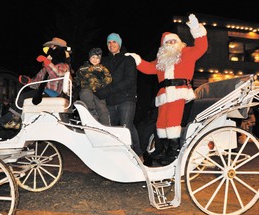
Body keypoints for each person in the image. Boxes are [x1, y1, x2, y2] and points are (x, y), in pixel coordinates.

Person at [126, 14, 208, 166]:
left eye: (173, 41)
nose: (170, 43)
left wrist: (196, 28)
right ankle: (163, 151)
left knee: (172, 122)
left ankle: (173, 153)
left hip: (179, 92)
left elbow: (202, 46)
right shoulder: (161, 61)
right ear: (163, 46)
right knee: (161, 124)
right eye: (168, 42)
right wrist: (136, 59)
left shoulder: (187, 53)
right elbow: (149, 67)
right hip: (163, 94)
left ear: (178, 43)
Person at [0, 37, 72, 130]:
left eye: (53, 47)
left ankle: (1, 122)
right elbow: (37, 83)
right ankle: (15, 121)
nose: (50, 50)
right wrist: (28, 81)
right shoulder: (45, 68)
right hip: (43, 92)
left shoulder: (64, 65)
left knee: (23, 97)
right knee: (21, 95)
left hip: (53, 94)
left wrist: (47, 62)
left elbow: (58, 74)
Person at [94, 33, 144, 160]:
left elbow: (129, 81)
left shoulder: (128, 60)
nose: (111, 45)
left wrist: (108, 90)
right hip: (110, 101)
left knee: (125, 127)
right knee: (114, 128)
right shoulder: (103, 61)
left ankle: (133, 156)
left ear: (119, 44)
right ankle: (129, 154)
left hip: (126, 98)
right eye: (109, 42)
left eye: (114, 42)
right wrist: (98, 90)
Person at [73, 48, 112, 125]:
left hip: (98, 92)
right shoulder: (83, 68)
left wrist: (102, 81)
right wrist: (74, 85)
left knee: (102, 109)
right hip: (86, 90)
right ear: (89, 58)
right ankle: (93, 120)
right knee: (88, 101)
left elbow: (109, 78)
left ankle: (106, 126)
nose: (95, 60)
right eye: (93, 57)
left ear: (100, 59)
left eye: (97, 58)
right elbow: (77, 79)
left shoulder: (102, 68)